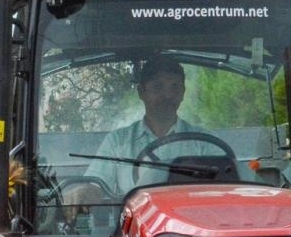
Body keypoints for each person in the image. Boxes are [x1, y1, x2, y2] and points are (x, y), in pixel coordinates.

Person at [85, 57, 227, 194]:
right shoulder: (117, 142)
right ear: (141, 92)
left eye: (175, 87)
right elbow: (95, 187)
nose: (168, 95)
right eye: (158, 87)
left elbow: (226, 185)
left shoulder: (205, 142)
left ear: (183, 92)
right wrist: (83, 193)